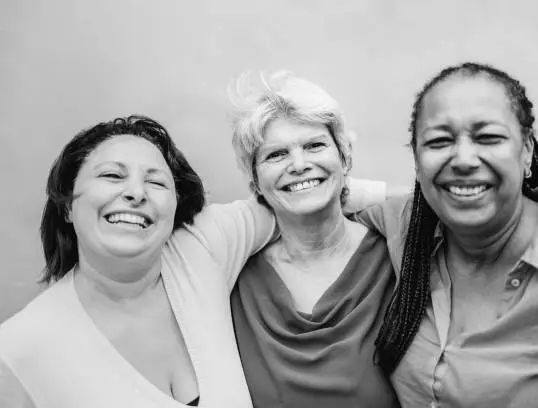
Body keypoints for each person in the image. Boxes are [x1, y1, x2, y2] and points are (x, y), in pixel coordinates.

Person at [0, 115, 387, 408]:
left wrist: (426, 201)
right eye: (112, 176)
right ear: (67, 204)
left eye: (156, 182)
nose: (135, 193)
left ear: (174, 207)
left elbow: (303, 194)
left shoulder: (201, 249)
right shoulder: (19, 350)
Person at [355, 62, 538, 407]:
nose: (463, 159)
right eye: (439, 141)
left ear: (527, 151)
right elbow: (318, 197)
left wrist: (455, 187)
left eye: (488, 137)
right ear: (416, 162)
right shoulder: (409, 226)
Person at [228, 71, 400, 407]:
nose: (299, 164)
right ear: (254, 181)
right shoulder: (234, 278)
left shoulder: (395, 250)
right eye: (276, 155)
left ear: (345, 156)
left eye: (314, 145)